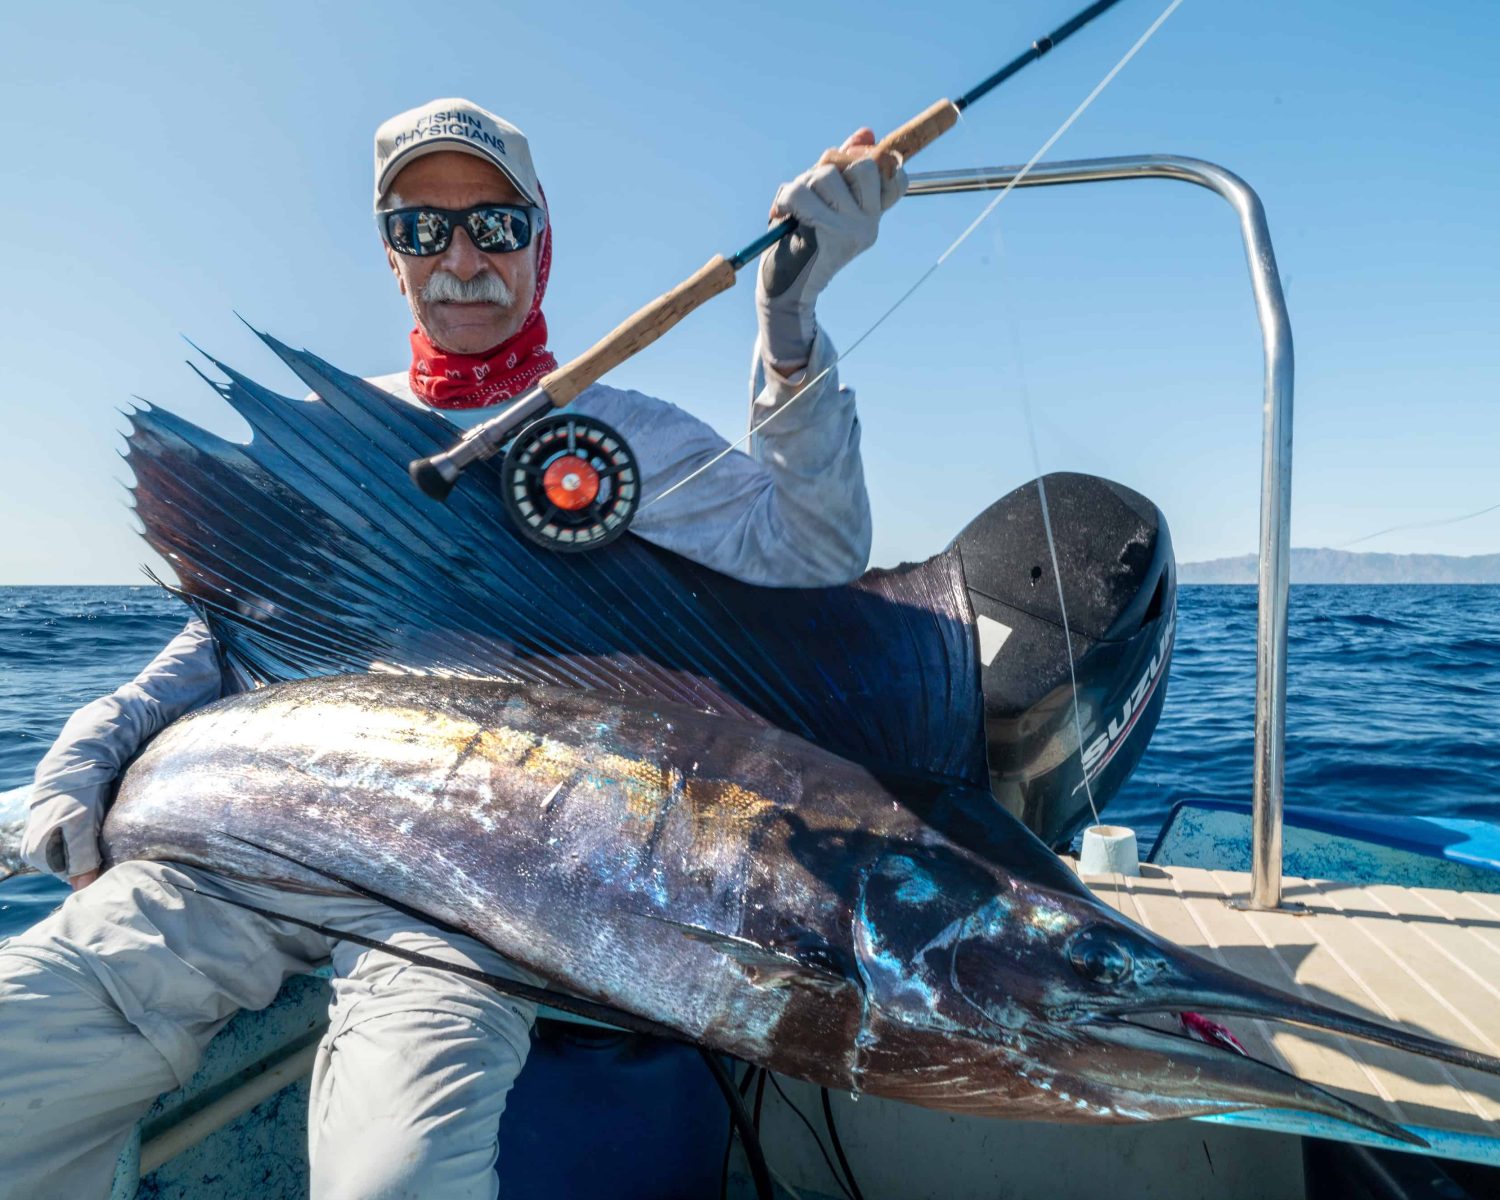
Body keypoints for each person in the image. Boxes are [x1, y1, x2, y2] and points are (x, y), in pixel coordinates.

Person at [0, 97, 906, 1199]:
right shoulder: (339, 444)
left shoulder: (641, 434)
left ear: (542, 243)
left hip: (468, 893)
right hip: (246, 851)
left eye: (495, 224)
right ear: (392, 259)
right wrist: (96, 743)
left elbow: (812, 552)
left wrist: (791, 320)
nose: (462, 259)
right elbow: (219, 647)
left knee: (397, 1178)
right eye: (423, 231)